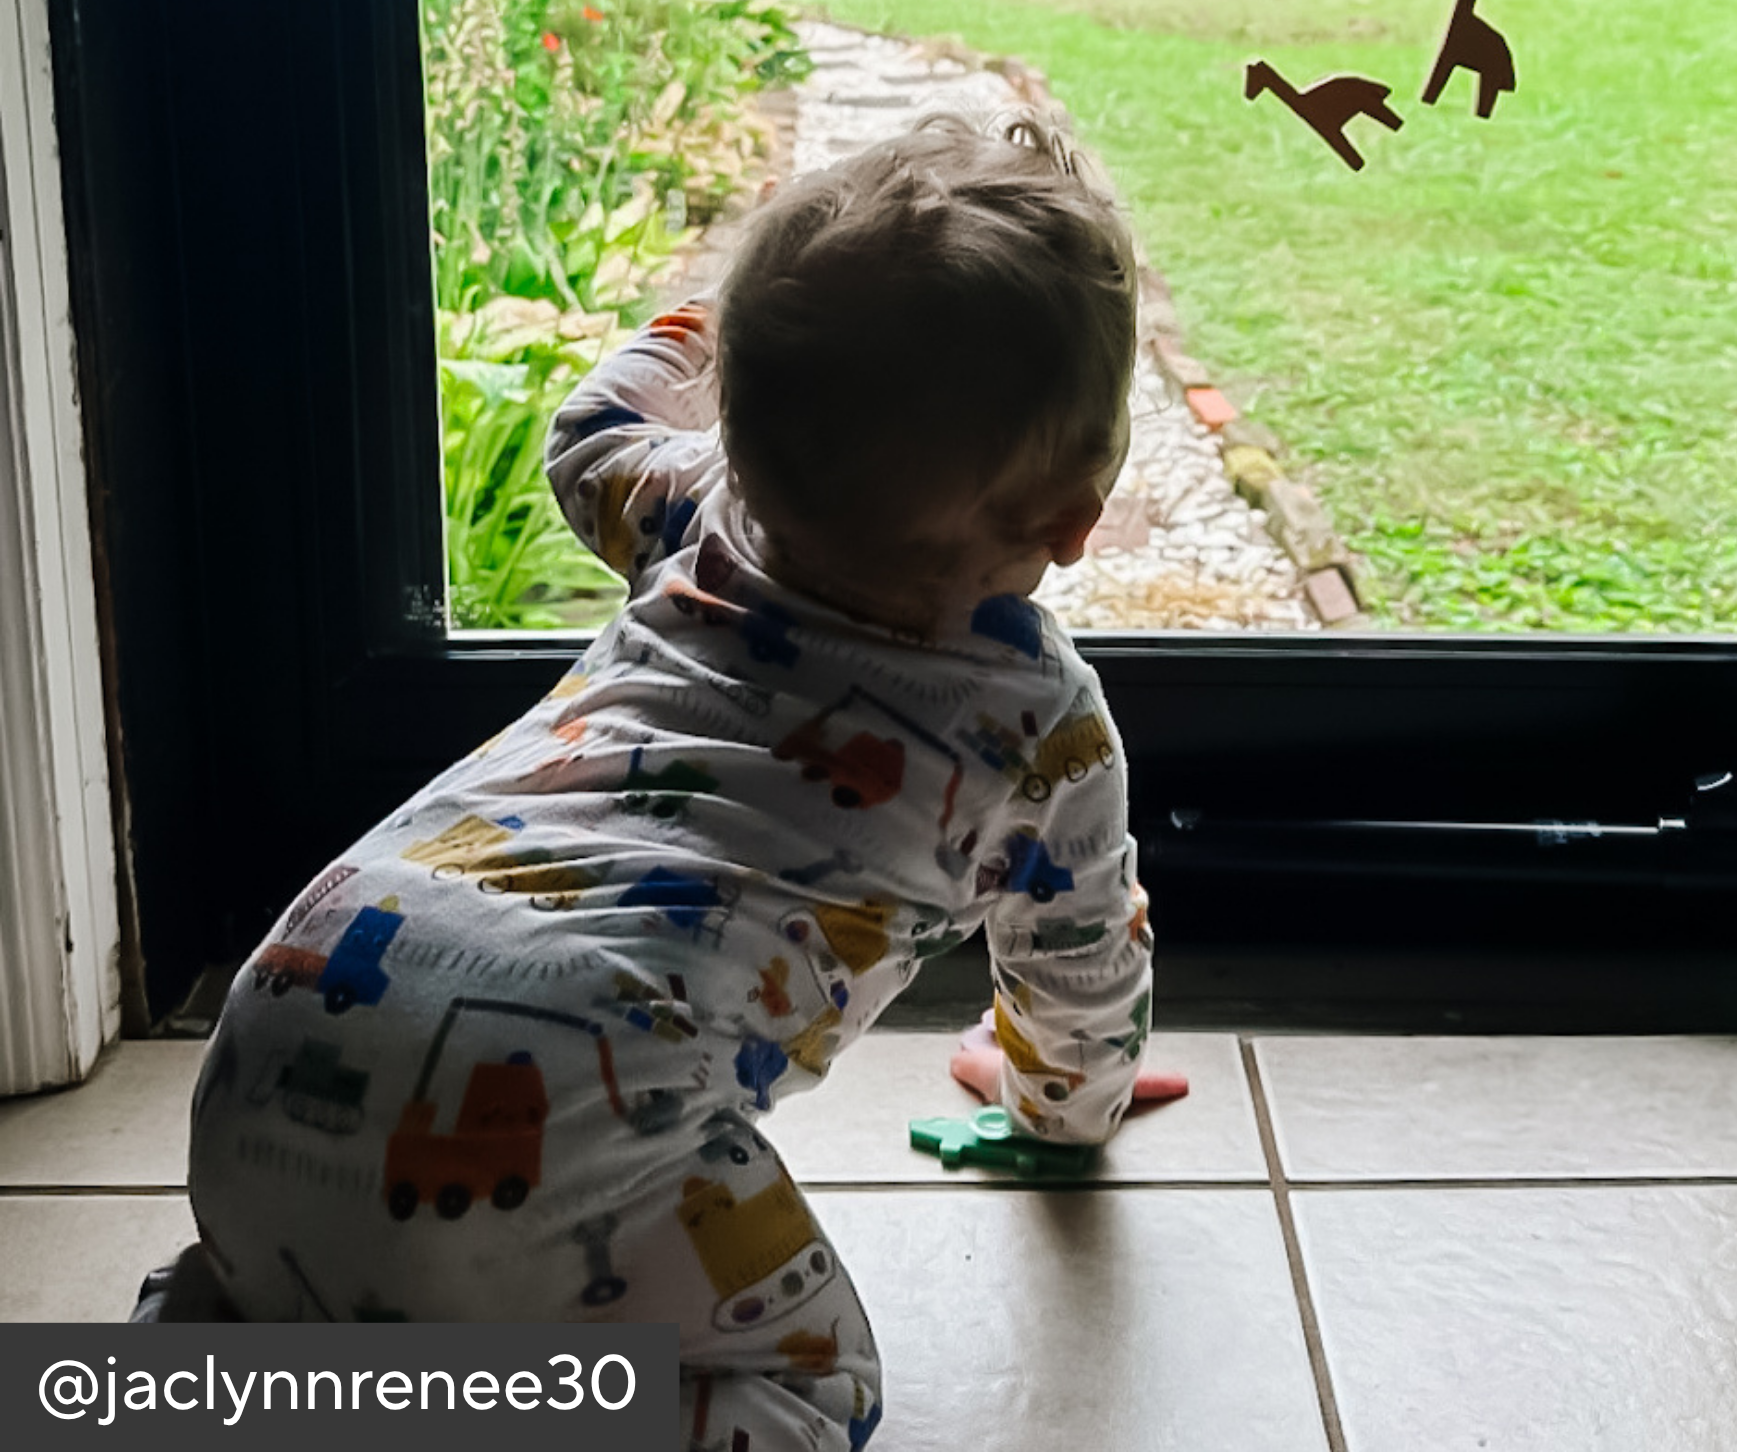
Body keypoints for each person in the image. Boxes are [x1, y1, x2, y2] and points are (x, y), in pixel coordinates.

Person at [184, 109, 1157, 1451]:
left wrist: (704, 324)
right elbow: (1082, 968)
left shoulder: (696, 505)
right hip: (585, 1084)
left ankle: (191, 1368)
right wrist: (1062, 1106)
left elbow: (587, 428)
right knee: (817, 1388)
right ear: (1075, 518)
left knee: (284, 1294)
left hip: (304, 983)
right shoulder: (1040, 729)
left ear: (745, 423)